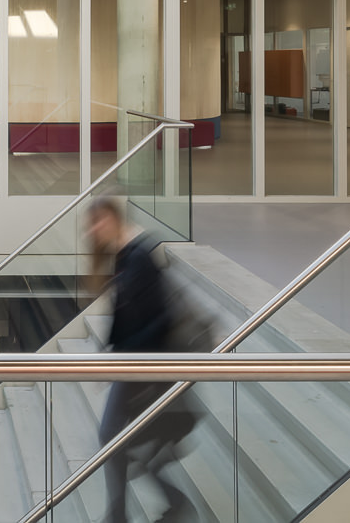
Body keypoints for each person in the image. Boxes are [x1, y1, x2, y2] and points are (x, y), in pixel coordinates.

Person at [87, 196, 197, 523]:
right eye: (92, 224)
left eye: (100, 221)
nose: (95, 229)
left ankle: (139, 510)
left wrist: (124, 355)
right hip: (133, 364)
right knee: (117, 440)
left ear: (116, 220)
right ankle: (128, 511)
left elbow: (160, 318)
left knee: (113, 437)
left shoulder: (139, 256)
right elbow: (127, 313)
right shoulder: (123, 256)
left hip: (145, 365)